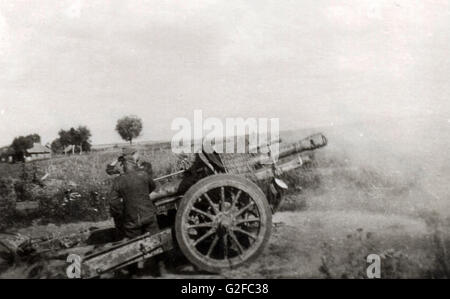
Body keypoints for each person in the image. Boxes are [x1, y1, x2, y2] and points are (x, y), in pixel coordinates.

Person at [108, 147, 158, 239]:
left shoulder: (119, 180)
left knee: (133, 242)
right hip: (149, 215)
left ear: (123, 165)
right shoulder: (143, 174)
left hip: (131, 219)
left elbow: (113, 202)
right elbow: (152, 187)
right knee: (156, 238)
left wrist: (123, 213)